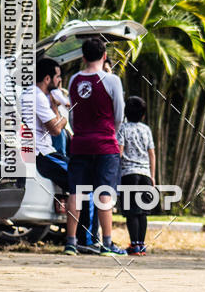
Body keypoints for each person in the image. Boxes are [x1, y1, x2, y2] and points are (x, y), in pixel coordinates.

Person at [19, 57, 89, 248]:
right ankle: (85, 240)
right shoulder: (38, 97)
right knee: (82, 185)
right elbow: (56, 128)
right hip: (43, 154)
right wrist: (60, 114)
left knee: (80, 184)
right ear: (48, 78)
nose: (59, 82)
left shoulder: (33, 95)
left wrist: (55, 107)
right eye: (58, 77)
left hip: (43, 151)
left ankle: (81, 239)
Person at [65, 37, 126, 255]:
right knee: (104, 193)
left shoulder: (73, 80)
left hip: (80, 142)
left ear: (83, 57)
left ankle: (71, 242)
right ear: (105, 56)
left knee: (76, 193)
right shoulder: (112, 81)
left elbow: (71, 113)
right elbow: (119, 114)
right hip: (105, 144)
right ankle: (107, 243)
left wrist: (80, 131)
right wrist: (111, 133)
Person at [117, 96, 156, 255]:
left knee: (131, 211)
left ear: (126, 112)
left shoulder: (123, 128)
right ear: (143, 115)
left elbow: (119, 151)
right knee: (142, 211)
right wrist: (152, 176)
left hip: (129, 174)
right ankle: (141, 244)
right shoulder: (146, 129)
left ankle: (134, 245)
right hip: (145, 174)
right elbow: (151, 153)